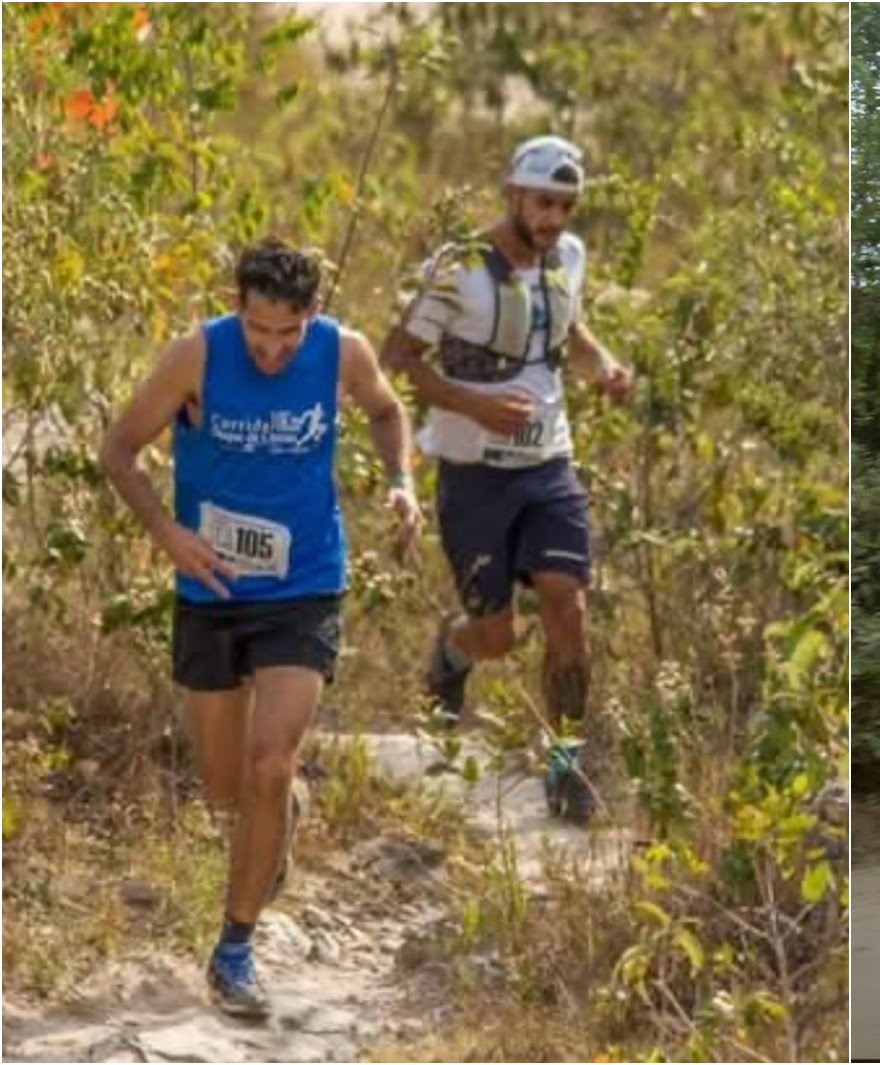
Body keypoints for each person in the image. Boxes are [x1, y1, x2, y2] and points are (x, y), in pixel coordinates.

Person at [100, 238, 422, 1017]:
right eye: (257, 333)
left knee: (272, 760)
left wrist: (402, 485)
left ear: (310, 315)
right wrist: (168, 536)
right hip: (210, 585)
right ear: (238, 310)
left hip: (305, 582)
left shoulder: (341, 351)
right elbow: (118, 448)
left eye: (287, 333)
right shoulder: (196, 355)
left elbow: (387, 409)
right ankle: (280, 820)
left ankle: (234, 949)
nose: (272, 350)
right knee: (225, 791)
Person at [382, 134, 633, 826]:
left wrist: (605, 370)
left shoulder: (569, 259)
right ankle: (454, 648)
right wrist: (475, 403)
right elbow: (398, 356)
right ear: (512, 194)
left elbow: (570, 335)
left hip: (549, 464)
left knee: (568, 611)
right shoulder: (458, 265)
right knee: (500, 636)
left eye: (565, 204)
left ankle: (567, 762)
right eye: (542, 202)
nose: (553, 217)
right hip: (474, 474)